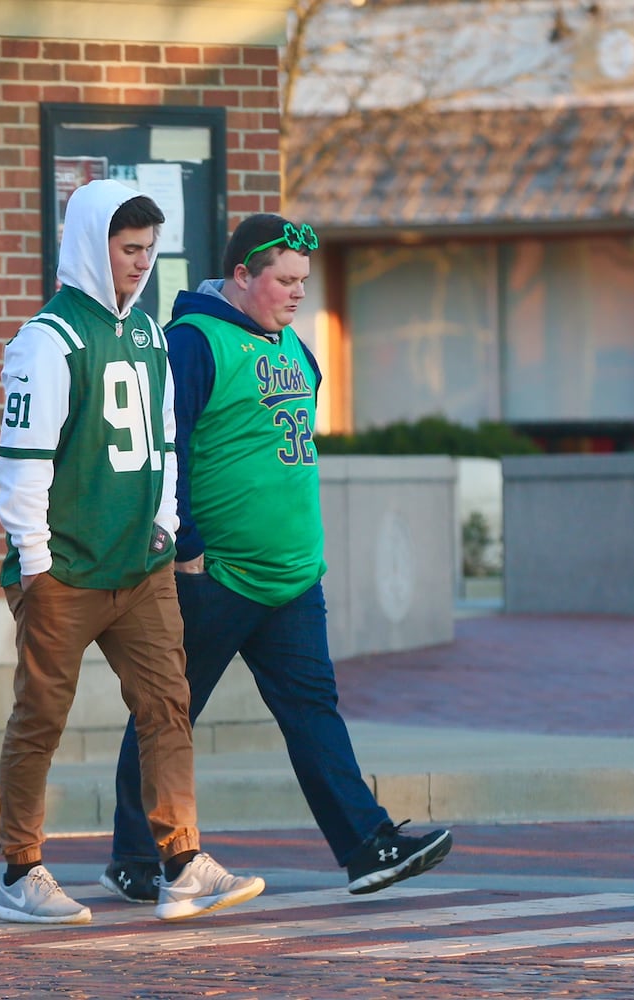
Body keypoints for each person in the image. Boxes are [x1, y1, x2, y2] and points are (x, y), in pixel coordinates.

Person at [100, 213, 452, 904]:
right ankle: (137, 855)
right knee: (167, 714)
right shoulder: (192, 343)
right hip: (217, 576)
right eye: (284, 281)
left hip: (291, 578)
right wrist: (188, 544)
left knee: (312, 710)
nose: (297, 294)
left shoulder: (293, 345)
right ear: (241, 275)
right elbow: (163, 451)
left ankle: (366, 847)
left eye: (302, 282)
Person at [0, 180, 264, 925]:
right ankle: (21, 873)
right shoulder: (48, 339)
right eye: (128, 249)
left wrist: (168, 526)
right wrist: (37, 557)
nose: (141, 263)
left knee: (167, 707)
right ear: (91, 245)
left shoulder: (147, 333)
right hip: (66, 571)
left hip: (140, 566)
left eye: (149, 250)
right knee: (40, 718)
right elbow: (22, 461)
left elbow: (167, 444)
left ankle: (181, 863)